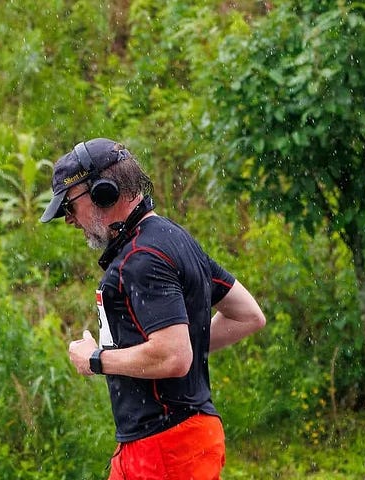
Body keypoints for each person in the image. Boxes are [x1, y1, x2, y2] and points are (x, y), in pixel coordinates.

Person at [39, 138, 267, 480]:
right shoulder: (171, 238)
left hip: (166, 447)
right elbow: (248, 315)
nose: (69, 220)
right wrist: (180, 347)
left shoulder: (141, 258)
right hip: (167, 442)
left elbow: (173, 357)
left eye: (70, 207)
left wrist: (96, 360)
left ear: (104, 193)